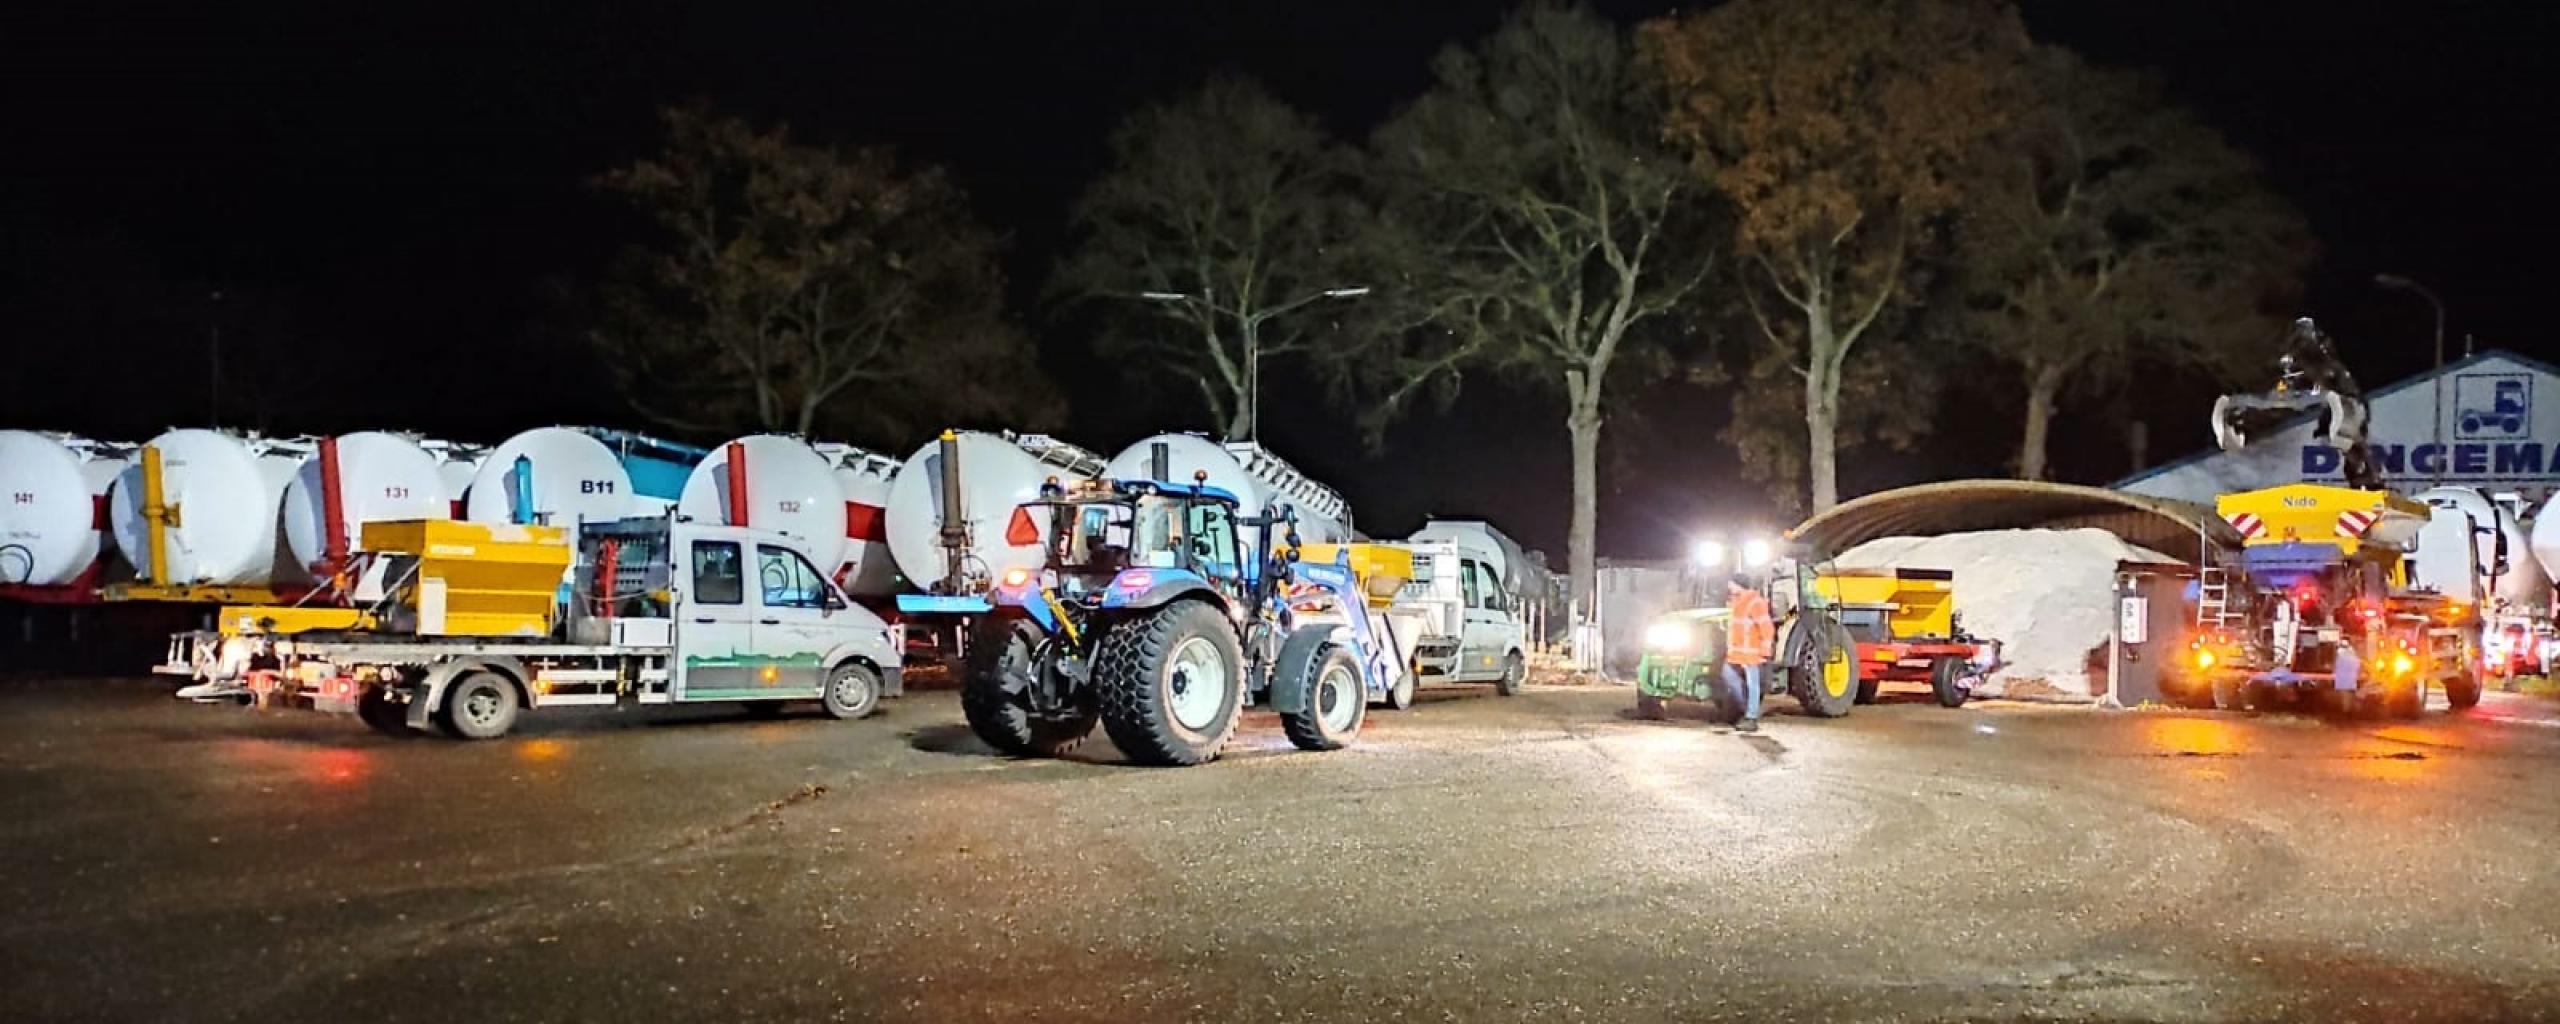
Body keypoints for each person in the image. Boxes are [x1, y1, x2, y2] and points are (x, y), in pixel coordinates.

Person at [1725, 574, 1776, 733]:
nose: (1729, 586)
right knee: (1728, 676)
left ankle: (1751, 717)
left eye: (1731, 584)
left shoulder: (1755, 603)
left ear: (1739, 585)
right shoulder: (1736, 602)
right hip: (1737, 653)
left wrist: (1765, 649)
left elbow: (1766, 627)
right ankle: (1745, 708)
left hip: (1751, 652)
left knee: (1753, 684)